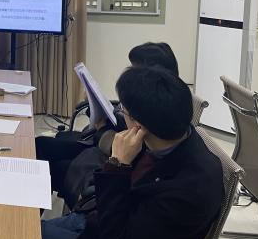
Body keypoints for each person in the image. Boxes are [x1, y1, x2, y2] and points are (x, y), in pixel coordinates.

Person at [42, 66, 223, 239]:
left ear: (139, 125)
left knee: (21, 235)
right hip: (96, 219)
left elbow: (115, 238)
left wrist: (117, 165)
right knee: (24, 223)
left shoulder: (192, 189)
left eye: (123, 110)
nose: (121, 113)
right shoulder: (169, 134)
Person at [35, 42, 179, 195]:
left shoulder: (156, 121)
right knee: (41, 145)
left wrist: (102, 127)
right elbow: (122, 126)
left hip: (105, 160)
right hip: (99, 147)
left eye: (135, 70)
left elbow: (125, 149)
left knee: (50, 166)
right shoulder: (154, 102)